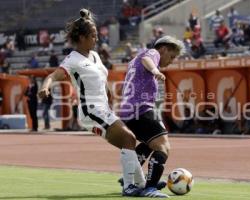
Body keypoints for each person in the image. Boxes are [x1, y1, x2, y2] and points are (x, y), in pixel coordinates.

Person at [38, 9, 146, 197]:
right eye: (93, 36)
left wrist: (108, 92)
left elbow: (101, 78)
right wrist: (45, 87)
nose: (96, 39)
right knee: (129, 138)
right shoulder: (73, 59)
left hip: (103, 108)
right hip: (90, 110)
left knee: (127, 143)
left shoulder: (94, 56)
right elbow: (53, 75)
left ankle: (141, 184)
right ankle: (129, 187)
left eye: (96, 35)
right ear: (81, 37)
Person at [119, 35, 185, 198]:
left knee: (149, 144)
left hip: (129, 111)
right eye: (172, 56)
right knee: (163, 146)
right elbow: (148, 59)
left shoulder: (133, 60)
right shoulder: (152, 53)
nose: (171, 61)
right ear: (163, 49)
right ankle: (150, 187)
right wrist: (155, 70)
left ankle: (132, 176)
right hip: (141, 109)